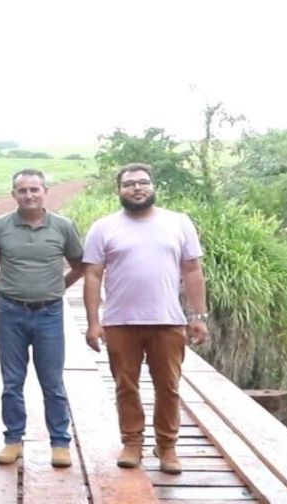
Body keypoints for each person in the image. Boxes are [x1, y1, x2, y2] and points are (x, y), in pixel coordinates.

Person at [83, 163, 209, 475]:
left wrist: (198, 315)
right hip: (119, 322)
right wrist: (93, 322)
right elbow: (93, 276)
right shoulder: (104, 227)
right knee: (125, 386)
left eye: (143, 182)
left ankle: (167, 446)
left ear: (153, 186)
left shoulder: (178, 223)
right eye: (129, 184)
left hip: (167, 321)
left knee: (168, 386)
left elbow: (192, 270)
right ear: (119, 190)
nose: (136, 188)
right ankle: (132, 442)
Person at [0, 169, 85, 468]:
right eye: (22, 190)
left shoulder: (63, 226)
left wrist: (57, 287)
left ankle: (60, 442)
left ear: (45, 192)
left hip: (49, 314)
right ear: (14, 194)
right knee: (12, 381)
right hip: (11, 313)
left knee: (52, 381)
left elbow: (79, 265)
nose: (29, 195)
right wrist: (8, 287)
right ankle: (13, 440)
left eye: (34, 189)